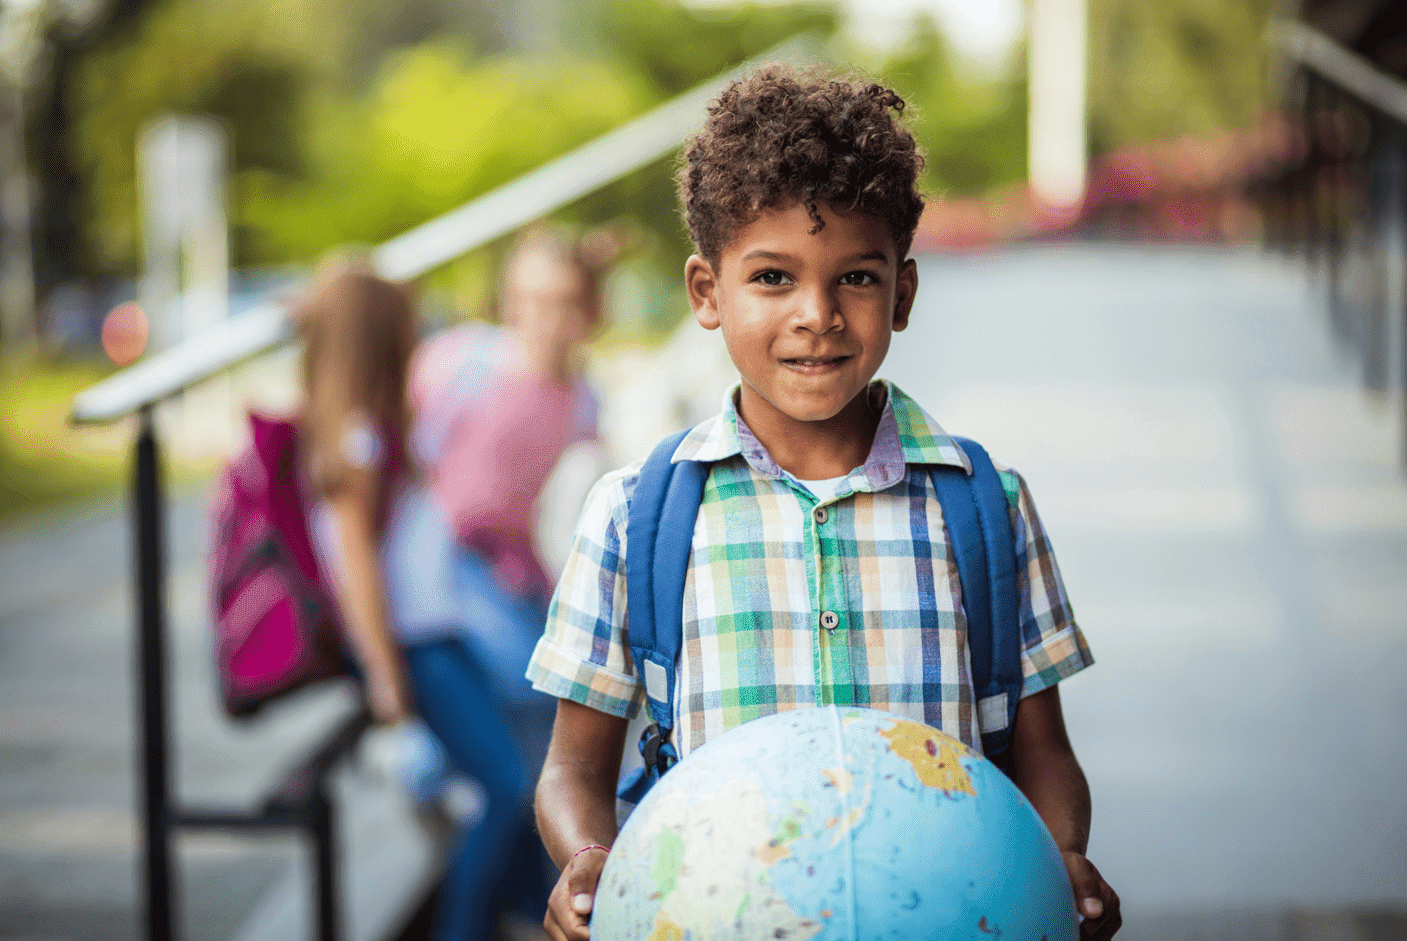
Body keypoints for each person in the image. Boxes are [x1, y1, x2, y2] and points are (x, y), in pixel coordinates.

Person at [527, 67, 1122, 941]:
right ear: (706, 292)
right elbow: (570, 770)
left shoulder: (985, 506)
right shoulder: (634, 515)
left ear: (903, 293)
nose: (817, 314)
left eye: (855, 277)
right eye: (771, 277)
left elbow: (1043, 756)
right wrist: (587, 859)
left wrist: (1057, 858)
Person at [296, 248, 599, 941]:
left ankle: (525, 911)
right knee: (501, 782)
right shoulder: (354, 437)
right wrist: (382, 673)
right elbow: (356, 563)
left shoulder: (368, 427)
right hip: (414, 640)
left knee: (515, 774)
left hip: (432, 630)